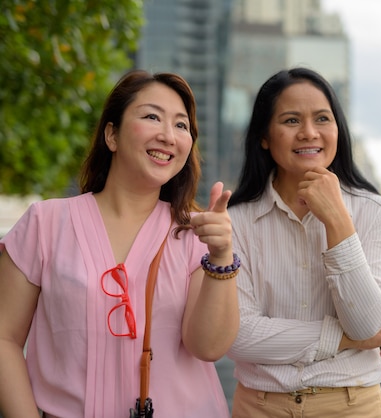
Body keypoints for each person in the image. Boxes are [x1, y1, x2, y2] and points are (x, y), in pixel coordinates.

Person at [0, 70, 239, 418]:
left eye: (181, 125)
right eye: (152, 116)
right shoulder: (44, 224)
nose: (168, 135)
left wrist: (221, 256)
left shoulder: (194, 236)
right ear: (111, 135)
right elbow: (4, 338)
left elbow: (209, 347)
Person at [226, 67, 381, 418]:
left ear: (338, 130)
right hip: (260, 407)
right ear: (264, 135)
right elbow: (237, 334)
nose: (309, 133)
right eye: (291, 121)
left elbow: (367, 324)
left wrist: (337, 219)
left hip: (354, 406)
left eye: (322, 118)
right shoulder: (235, 221)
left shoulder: (375, 213)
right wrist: (346, 340)